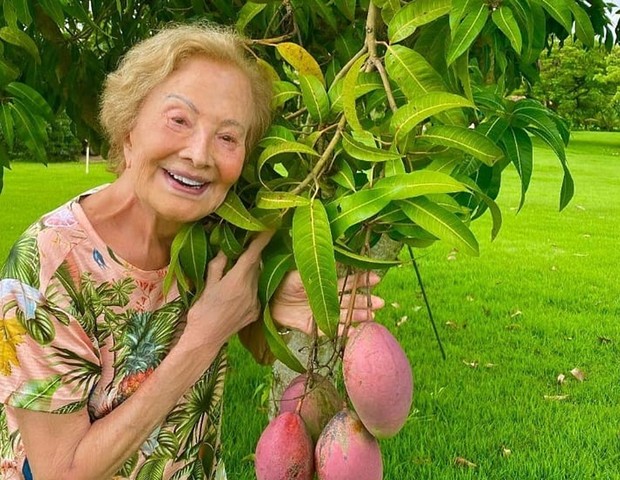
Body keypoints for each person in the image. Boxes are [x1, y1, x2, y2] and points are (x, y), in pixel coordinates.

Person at [0, 23, 383, 480]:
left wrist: (274, 306)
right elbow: (60, 473)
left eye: (227, 137)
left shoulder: (210, 234)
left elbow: (255, 344)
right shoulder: (43, 272)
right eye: (179, 119)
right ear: (128, 127)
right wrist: (202, 338)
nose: (200, 154)